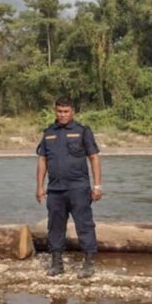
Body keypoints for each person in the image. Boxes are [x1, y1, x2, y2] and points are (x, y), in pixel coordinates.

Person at [36, 96, 102, 278]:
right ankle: (57, 264)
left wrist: (97, 186)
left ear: (73, 111)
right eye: (59, 111)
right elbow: (42, 160)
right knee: (55, 227)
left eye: (66, 111)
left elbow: (94, 158)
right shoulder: (48, 133)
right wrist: (39, 187)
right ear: (55, 111)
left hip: (79, 189)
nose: (62, 115)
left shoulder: (82, 131)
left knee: (85, 225)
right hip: (55, 190)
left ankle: (88, 264)